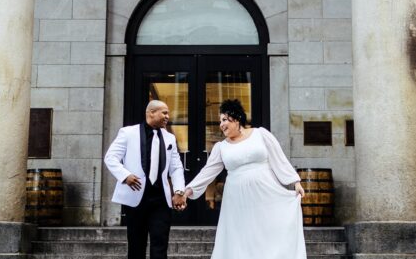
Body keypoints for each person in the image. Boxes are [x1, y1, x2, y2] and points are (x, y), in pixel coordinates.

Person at [175, 99, 306, 259]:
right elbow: (206, 173)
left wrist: (295, 182)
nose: (221, 125)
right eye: (220, 121)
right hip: (238, 200)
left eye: (224, 120)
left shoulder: (261, 134)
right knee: (242, 238)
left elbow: (280, 159)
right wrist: (186, 192)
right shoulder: (221, 147)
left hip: (265, 194)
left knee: (266, 232)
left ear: (236, 118)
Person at [104, 100, 187, 259]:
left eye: (167, 113)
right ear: (151, 113)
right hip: (135, 199)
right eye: (164, 113)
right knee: (136, 246)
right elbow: (111, 157)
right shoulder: (128, 133)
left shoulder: (169, 138)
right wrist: (125, 175)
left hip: (161, 200)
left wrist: (178, 191)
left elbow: (176, 167)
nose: (167, 117)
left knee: (160, 245)